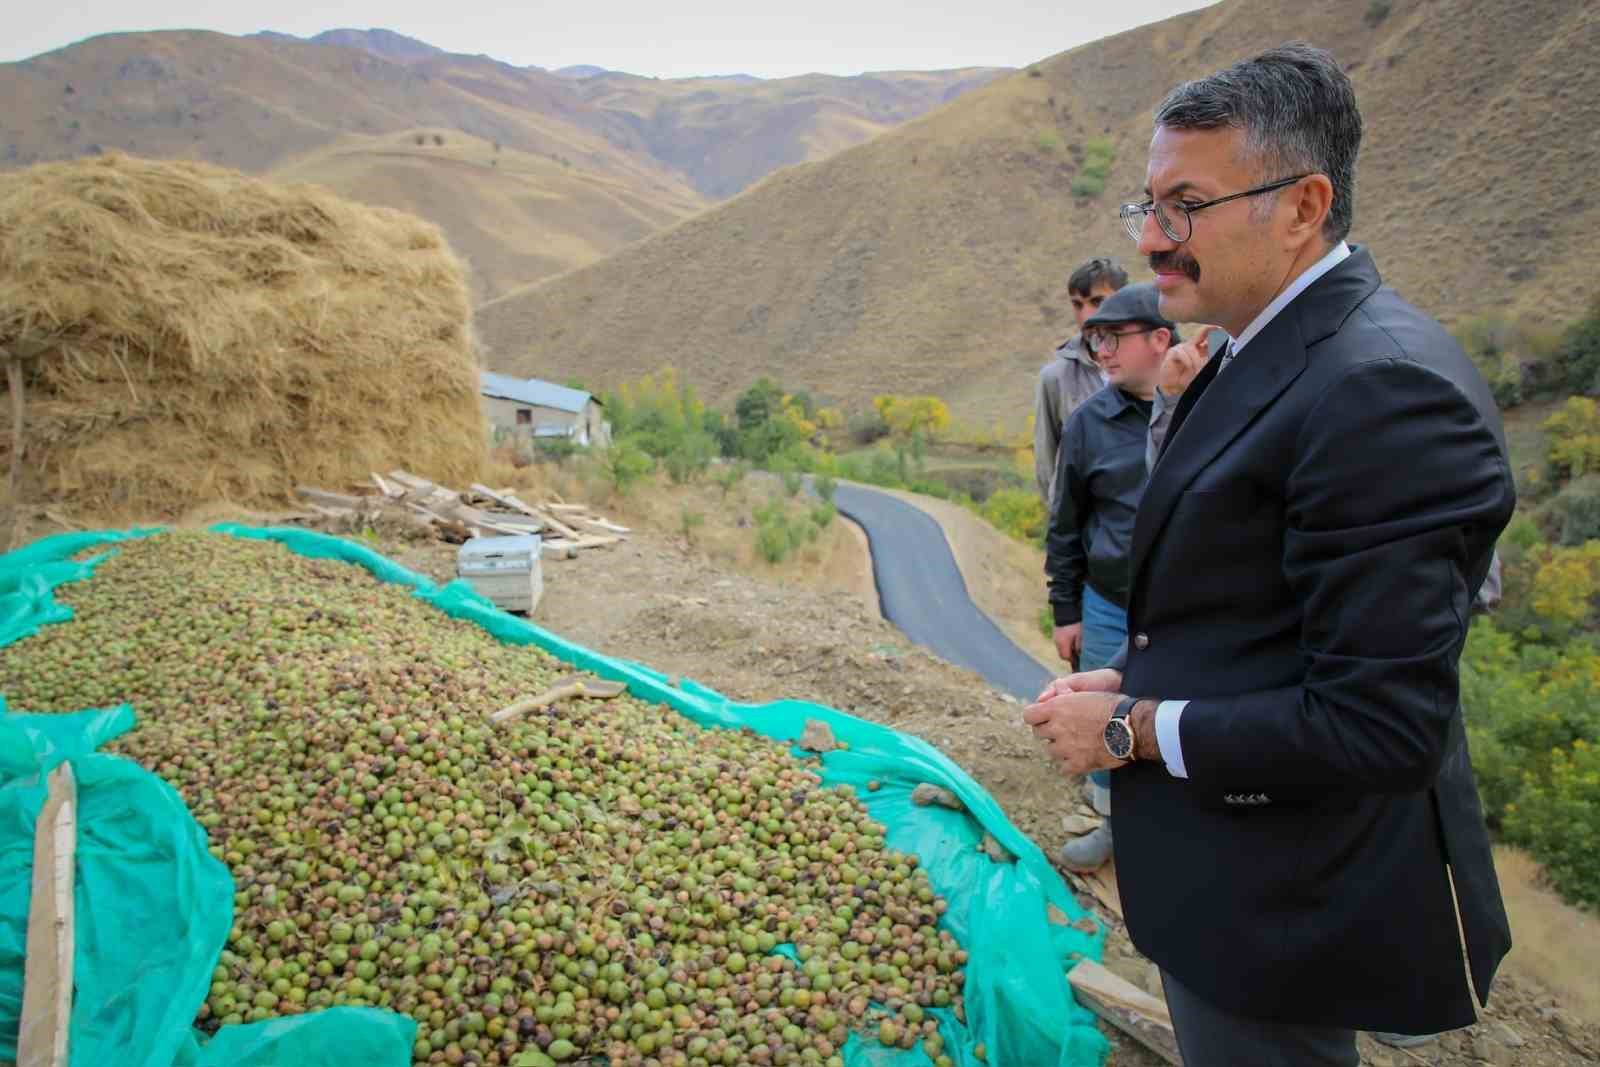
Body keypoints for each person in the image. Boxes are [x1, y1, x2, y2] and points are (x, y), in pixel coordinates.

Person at [1022, 43, 1512, 1065]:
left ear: (1300, 205)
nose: (1154, 239)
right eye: (1148, 205)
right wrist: (1142, 668)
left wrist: (1131, 727)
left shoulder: (1378, 388)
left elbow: (1376, 725)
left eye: (1185, 205)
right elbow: (1267, 614)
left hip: (1283, 896)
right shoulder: (1265, 347)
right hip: (1236, 876)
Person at [1045, 283, 1182, 870]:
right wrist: (1065, 610)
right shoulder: (1088, 423)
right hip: (1108, 606)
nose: (1100, 350)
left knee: (1175, 717)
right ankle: (1112, 827)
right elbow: (1067, 523)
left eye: (1113, 337)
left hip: (1180, 609)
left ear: (1160, 338)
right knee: (1107, 722)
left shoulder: (1207, 409)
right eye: (1094, 338)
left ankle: (1174, 832)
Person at [1033, 257, 1129, 505]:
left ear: (1124, 299)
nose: (1086, 316)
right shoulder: (1055, 378)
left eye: (1098, 302)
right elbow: (1046, 464)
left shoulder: (1151, 366)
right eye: (1077, 305)